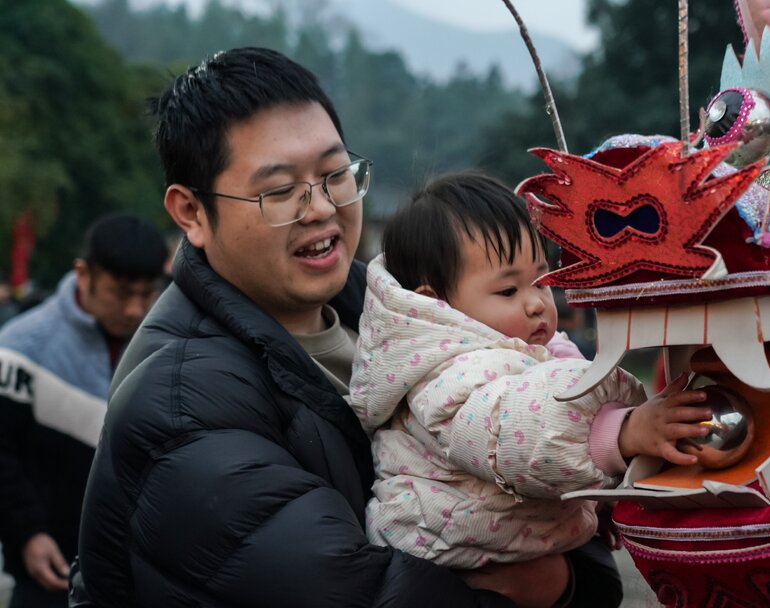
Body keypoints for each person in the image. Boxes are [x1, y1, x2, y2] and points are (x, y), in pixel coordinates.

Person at [72, 47, 627, 608]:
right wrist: (544, 584)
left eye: (335, 175)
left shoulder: (407, 314)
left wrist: (567, 577)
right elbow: (348, 591)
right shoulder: (182, 405)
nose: (320, 209)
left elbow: (550, 483)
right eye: (279, 191)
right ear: (191, 212)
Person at [351, 173, 711, 584]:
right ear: (437, 304)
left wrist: (598, 501)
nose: (537, 303)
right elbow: (514, 431)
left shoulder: (534, 351)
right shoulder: (448, 376)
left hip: (504, 539)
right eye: (508, 291)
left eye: (541, 282)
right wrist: (624, 432)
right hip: (442, 547)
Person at [0, 213, 166, 608]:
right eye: (121, 293)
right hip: (49, 572)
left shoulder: (165, 349)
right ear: (83, 274)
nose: (134, 309)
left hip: (140, 576)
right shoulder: (20, 349)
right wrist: (27, 534)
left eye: (146, 294)